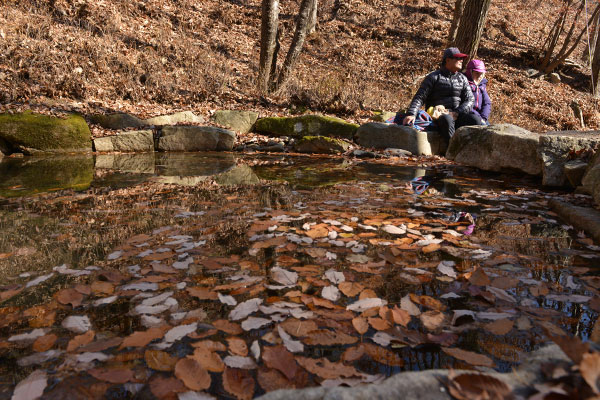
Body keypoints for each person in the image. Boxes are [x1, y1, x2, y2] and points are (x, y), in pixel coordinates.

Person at [403, 47, 482, 140]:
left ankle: (469, 150)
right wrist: (412, 114)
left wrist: (457, 112)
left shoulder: (462, 78)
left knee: (475, 119)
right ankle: (452, 150)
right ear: (448, 60)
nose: (461, 60)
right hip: (438, 117)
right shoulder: (433, 77)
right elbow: (420, 97)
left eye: (462, 58)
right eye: (458, 58)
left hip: (456, 114)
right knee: (447, 119)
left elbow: (470, 99)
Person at [464, 59, 491, 124]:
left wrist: (484, 118)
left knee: (488, 128)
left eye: (481, 74)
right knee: (477, 121)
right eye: (477, 73)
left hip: (480, 117)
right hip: (468, 114)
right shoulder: (463, 83)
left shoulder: (482, 85)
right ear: (470, 72)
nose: (479, 76)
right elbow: (465, 103)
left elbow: (487, 103)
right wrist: (479, 117)